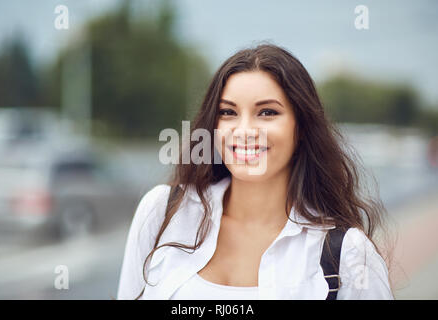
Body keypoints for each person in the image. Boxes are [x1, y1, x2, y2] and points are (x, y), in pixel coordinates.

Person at [117, 43, 394, 300]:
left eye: (267, 113)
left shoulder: (348, 255)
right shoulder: (163, 211)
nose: (245, 130)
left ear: (301, 129)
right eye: (228, 112)